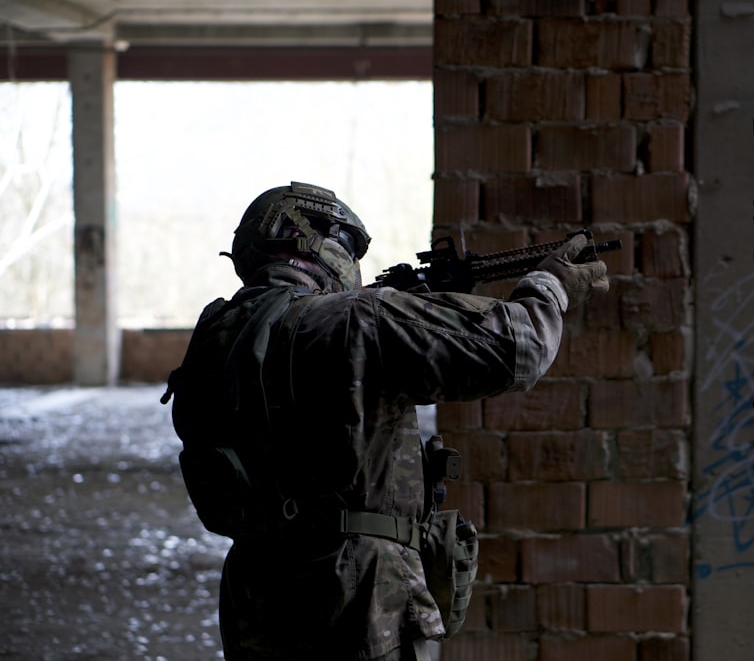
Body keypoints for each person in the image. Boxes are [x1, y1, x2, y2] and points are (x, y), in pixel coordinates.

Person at [161, 181, 608, 660]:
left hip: (257, 593)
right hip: (357, 597)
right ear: (316, 240)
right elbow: (518, 346)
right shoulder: (358, 319)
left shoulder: (214, 337)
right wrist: (550, 285)